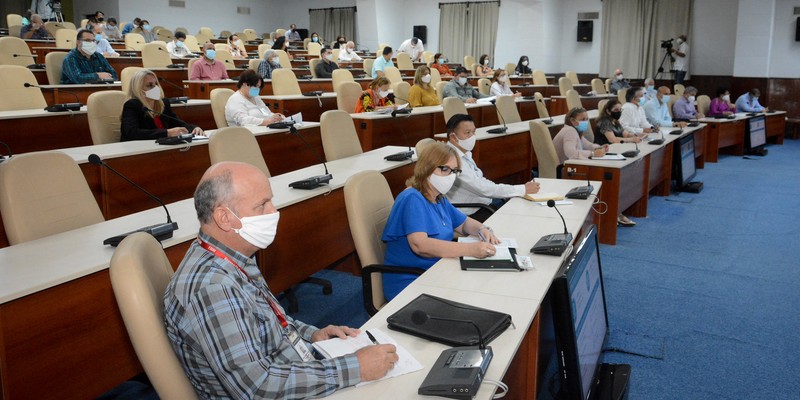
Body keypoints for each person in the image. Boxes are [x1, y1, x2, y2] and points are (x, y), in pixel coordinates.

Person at [164, 161, 399, 399]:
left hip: (287, 369)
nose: (274, 212)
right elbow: (257, 388)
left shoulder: (233, 256)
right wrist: (355, 369)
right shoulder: (213, 288)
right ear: (224, 217)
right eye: (262, 205)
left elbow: (269, 321)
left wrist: (311, 334)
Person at [381, 141, 501, 300]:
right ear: (427, 167)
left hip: (436, 271)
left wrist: (483, 230)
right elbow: (420, 245)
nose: (450, 176)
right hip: (410, 281)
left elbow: (464, 223)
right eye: (444, 169)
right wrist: (471, 249)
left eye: (455, 171)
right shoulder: (412, 198)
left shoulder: (438, 198)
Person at [446, 114, 539, 222]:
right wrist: (522, 189)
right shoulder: (451, 159)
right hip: (469, 213)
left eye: (473, 132)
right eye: (467, 133)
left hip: (481, 203)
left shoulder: (464, 153)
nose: (472, 136)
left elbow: (481, 181)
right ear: (453, 137)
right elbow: (482, 188)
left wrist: (517, 190)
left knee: (516, 206)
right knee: (515, 216)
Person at [120, 69, 202, 141]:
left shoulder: (163, 103)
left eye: (156, 84)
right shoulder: (132, 105)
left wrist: (193, 128)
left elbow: (178, 123)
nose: (156, 88)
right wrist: (167, 133)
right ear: (138, 88)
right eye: (150, 85)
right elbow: (132, 133)